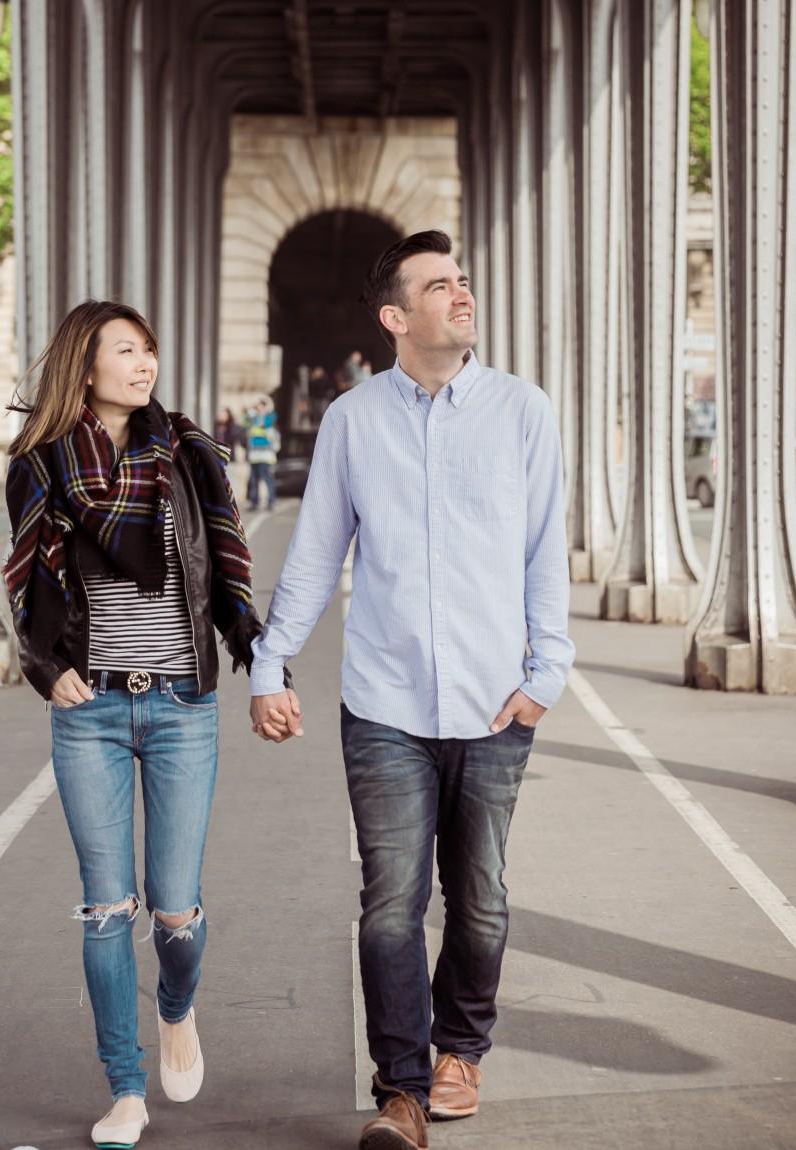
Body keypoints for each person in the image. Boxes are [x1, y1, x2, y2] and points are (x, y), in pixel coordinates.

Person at [247, 230, 574, 1150]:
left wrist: (547, 673)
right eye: (439, 285)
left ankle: (460, 1049)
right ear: (396, 317)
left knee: (480, 895)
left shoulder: (522, 412)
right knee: (391, 901)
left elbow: (544, 550)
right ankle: (401, 1091)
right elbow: (314, 557)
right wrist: (269, 663)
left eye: (463, 279)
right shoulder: (354, 421)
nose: (461, 293)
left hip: (495, 700)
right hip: (385, 703)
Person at [2, 300, 263, 1150]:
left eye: (149, 348)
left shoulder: (188, 455)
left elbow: (223, 568)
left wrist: (259, 653)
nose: (144, 362)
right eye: (126, 350)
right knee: (107, 910)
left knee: (175, 912)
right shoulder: (42, 465)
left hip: (182, 705)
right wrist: (46, 670)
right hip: (94, 712)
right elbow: (27, 589)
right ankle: (124, 1088)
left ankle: (177, 1006)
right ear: (86, 366)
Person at [243, 397, 279, 511]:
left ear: (265, 406)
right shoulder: (254, 419)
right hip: (254, 456)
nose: (258, 408)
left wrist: (259, 414)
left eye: (260, 406)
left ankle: (271, 502)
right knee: (254, 480)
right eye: (257, 406)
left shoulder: (269, 417)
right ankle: (255, 502)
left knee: (268, 480)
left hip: (266, 456)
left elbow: (266, 423)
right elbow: (245, 421)